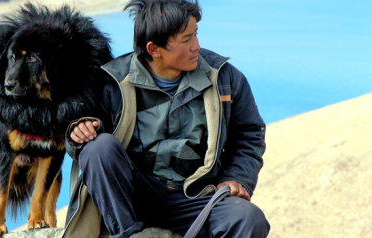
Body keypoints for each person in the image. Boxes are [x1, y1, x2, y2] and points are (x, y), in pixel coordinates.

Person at [63, 0, 270, 237]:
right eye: (186, 39)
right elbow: (87, 148)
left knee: (249, 219)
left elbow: (248, 136)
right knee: (98, 147)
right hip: (131, 199)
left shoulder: (224, 77)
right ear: (154, 49)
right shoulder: (112, 82)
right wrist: (78, 133)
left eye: (195, 35)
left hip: (197, 199)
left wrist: (236, 178)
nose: (197, 46)